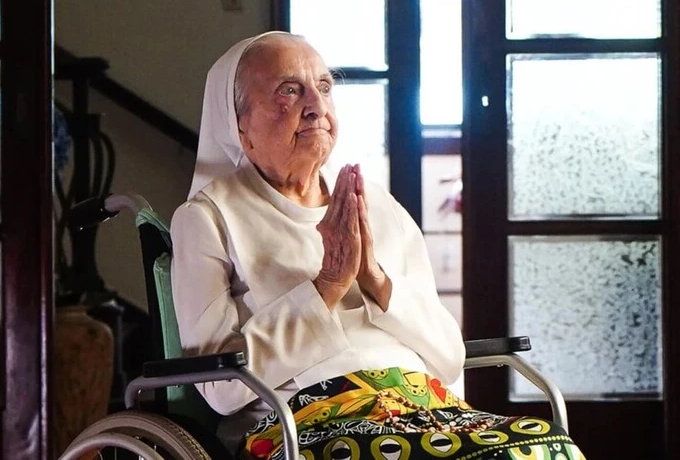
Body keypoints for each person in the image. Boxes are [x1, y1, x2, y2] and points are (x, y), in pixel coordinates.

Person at [171, 31, 584, 460]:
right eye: (289, 91)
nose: (316, 106)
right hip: (305, 423)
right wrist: (328, 285)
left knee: (545, 448)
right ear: (239, 125)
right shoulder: (207, 218)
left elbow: (447, 355)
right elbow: (219, 388)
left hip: (422, 409)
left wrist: (373, 276)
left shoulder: (376, 206)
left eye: (325, 87)